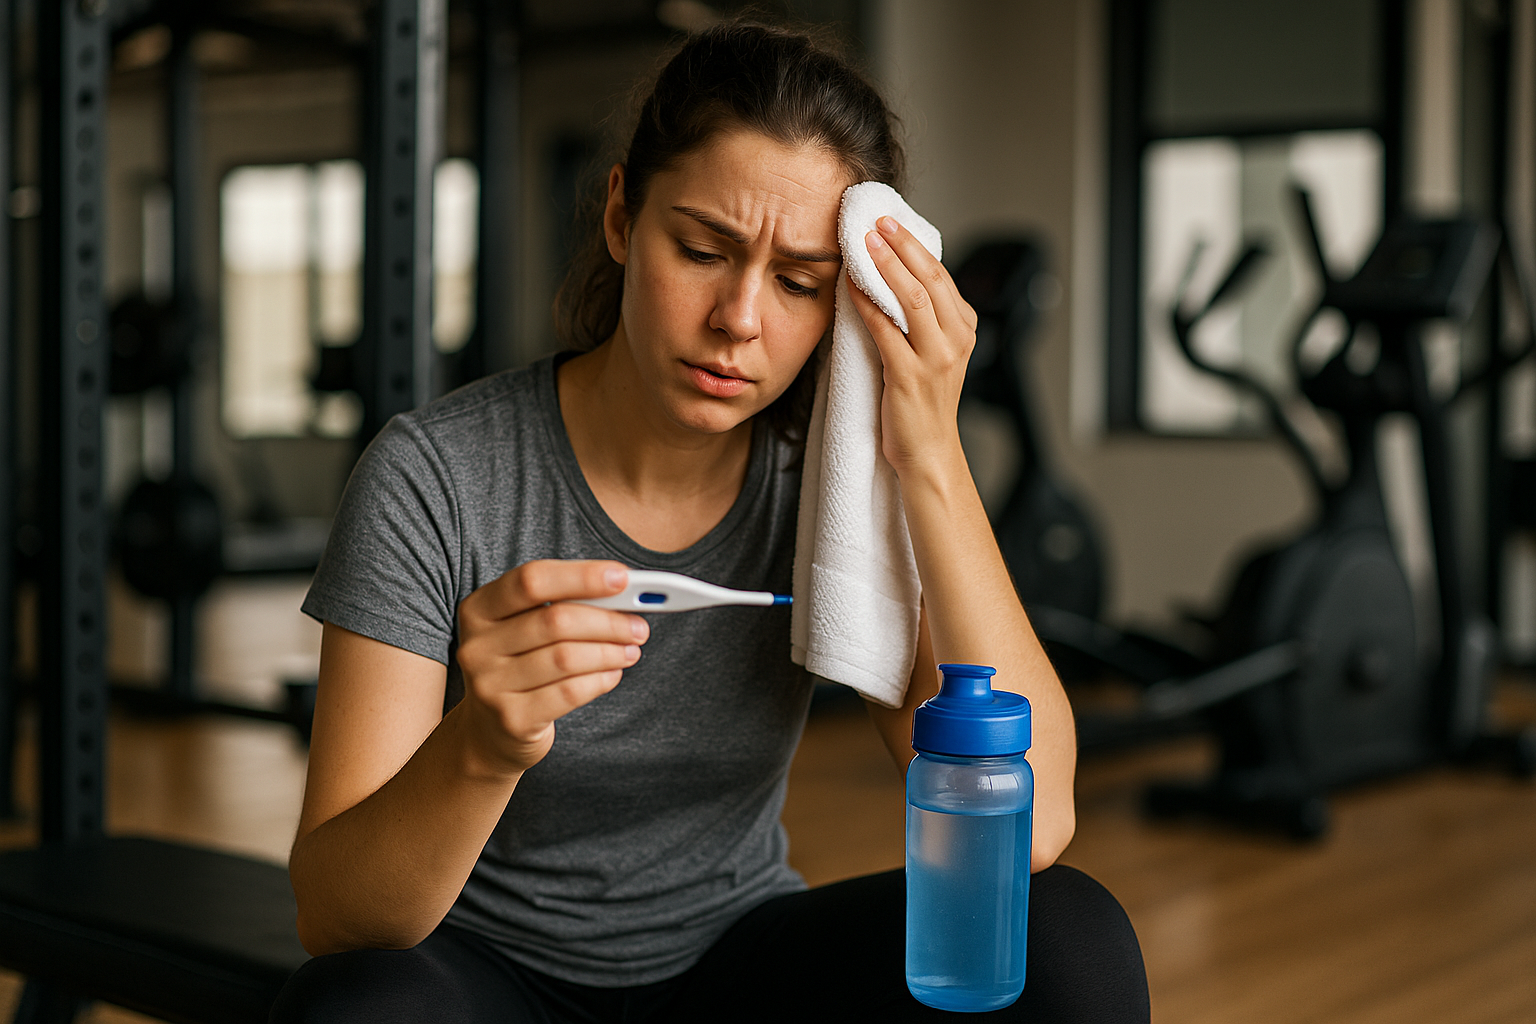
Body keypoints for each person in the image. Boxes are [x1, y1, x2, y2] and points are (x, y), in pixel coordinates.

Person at [272, 21, 1149, 1024]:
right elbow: (334, 914)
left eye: (799, 283)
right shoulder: (436, 477)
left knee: (1067, 939)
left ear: (847, 304)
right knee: (352, 1009)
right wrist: (481, 745)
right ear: (619, 218)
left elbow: (1032, 821)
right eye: (701, 249)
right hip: (485, 974)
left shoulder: (829, 499)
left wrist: (932, 452)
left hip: (739, 966)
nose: (739, 316)